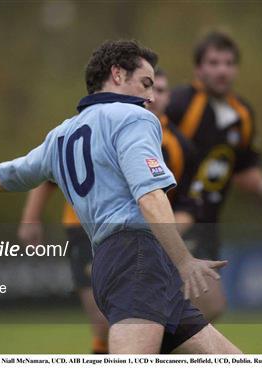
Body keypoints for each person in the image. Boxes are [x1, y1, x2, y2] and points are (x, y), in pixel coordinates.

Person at [0, 39, 242, 354]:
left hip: (112, 262)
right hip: (137, 258)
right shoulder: (134, 117)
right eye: (146, 83)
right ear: (117, 74)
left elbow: (12, 173)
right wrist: (184, 260)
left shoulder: (60, 135)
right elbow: (148, 195)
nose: (151, 96)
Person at [16, 67, 193, 354]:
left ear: (169, 97)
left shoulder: (178, 144)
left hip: (145, 236)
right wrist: (30, 217)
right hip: (88, 229)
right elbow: (43, 172)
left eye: (160, 90)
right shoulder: (108, 124)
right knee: (106, 323)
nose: (153, 96)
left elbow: (184, 202)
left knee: (159, 322)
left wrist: (169, 235)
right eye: (148, 86)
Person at [166, 31, 262, 321]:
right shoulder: (181, 104)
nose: (222, 70)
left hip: (207, 223)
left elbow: (243, 168)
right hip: (176, 219)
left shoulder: (242, 114)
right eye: (213, 62)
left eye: (228, 63)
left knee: (195, 312)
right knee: (208, 306)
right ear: (199, 68)